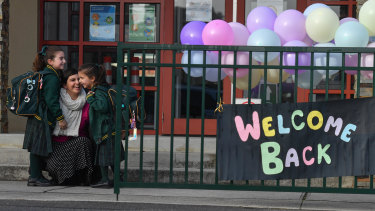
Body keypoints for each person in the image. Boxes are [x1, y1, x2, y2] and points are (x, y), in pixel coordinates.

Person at [23, 46, 68, 186]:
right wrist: (60, 118)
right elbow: (51, 100)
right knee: (37, 147)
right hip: (42, 118)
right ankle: (35, 177)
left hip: (36, 116)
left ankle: (35, 174)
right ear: (50, 61)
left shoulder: (46, 74)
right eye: (60, 58)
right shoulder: (52, 77)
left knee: (37, 147)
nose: (64, 61)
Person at [45, 68, 94, 185]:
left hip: (79, 146)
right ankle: (70, 178)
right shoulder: (56, 101)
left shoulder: (88, 100)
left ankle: (84, 177)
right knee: (54, 166)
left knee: (83, 142)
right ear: (64, 85)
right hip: (57, 146)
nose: (77, 82)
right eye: (72, 80)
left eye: (79, 79)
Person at [78, 63, 115, 188]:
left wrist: (91, 99)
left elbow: (102, 107)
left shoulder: (97, 91)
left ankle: (105, 179)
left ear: (92, 78)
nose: (80, 81)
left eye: (82, 78)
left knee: (102, 157)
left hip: (103, 130)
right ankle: (118, 177)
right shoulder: (103, 88)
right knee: (111, 156)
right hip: (108, 129)